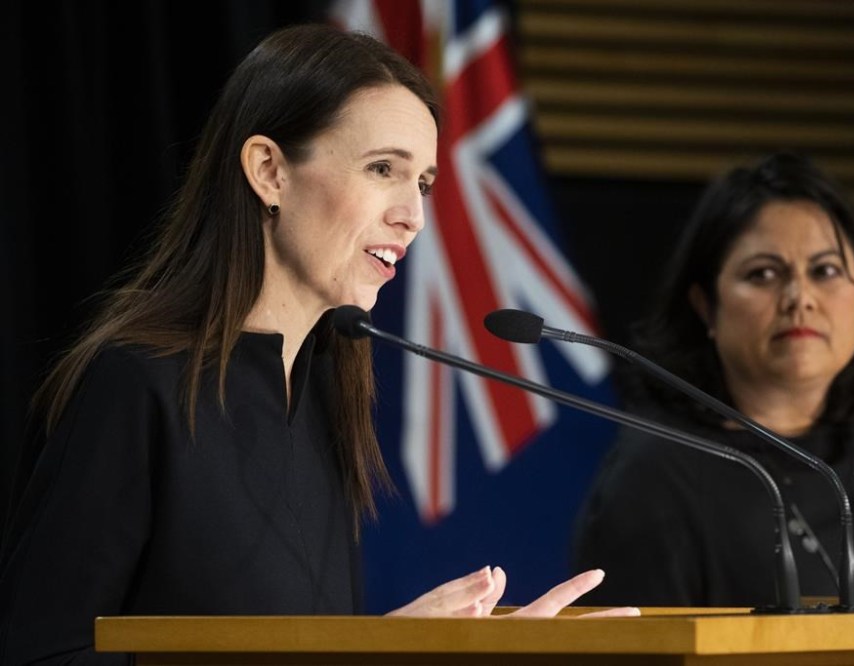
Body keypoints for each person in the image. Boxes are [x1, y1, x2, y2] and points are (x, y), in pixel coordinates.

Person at [0, 23, 637, 665]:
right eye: (383, 168)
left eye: (422, 183)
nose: (412, 217)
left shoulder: (326, 391)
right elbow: (41, 655)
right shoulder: (137, 383)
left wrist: (408, 650)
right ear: (270, 171)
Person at [572, 151, 854, 607]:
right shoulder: (652, 482)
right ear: (705, 306)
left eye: (825, 271)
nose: (800, 297)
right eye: (764, 274)